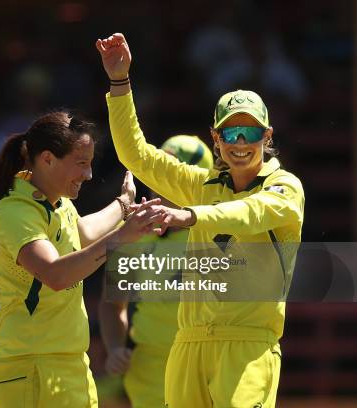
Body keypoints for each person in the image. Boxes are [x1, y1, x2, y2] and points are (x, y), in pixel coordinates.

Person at [96, 33, 304, 408]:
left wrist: (189, 215)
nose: (240, 142)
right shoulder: (204, 185)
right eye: (230, 132)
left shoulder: (285, 186)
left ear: (268, 136)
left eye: (251, 132)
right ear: (215, 137)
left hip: (247, 347)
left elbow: (249, 213)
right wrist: (120, 83)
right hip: (187, 344)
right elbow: (137, 155)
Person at [0, 111, 161, 408]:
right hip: (34, 367)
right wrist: (122, 237)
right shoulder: (16, 211)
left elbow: (82, 234)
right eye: (81, 164)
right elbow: (56, 275)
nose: (88, 175)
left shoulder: (57, 202)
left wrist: (125, 206)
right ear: (47, 159)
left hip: (70, 364)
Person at [98, 135, 213, 408]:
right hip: (150, 371)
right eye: (156, 171)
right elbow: (112, 305)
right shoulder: (132, 234)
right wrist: (115, 348)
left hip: (209, 365)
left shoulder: (221, 235)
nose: (158, 180)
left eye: (170, 173)